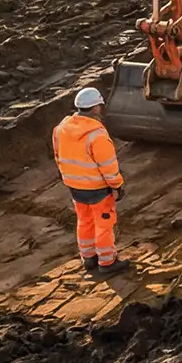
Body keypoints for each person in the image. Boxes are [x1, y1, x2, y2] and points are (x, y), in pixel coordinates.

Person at [51, 86, 125, 274]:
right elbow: (108, 165)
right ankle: (107, 263)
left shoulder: (61, 129)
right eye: (99, 105)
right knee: (104, 225)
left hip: (74, 187)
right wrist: (117, 185)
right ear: (95, 108)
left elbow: (58, 155)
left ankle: (88, 258)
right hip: (97, 189)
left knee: (84, 222)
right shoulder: (97, 135)